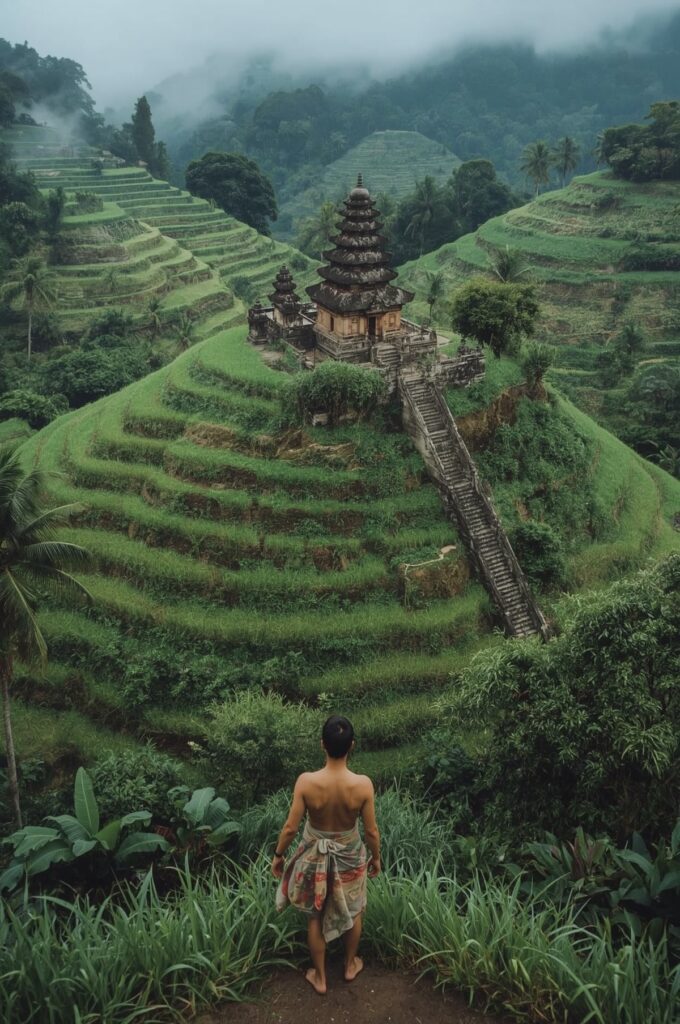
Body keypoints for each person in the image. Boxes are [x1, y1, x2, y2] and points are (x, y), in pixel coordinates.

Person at [272, 715, 381, 995]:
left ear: (322, 744)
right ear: (351, 746)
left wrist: (278, 855)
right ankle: (349, 965)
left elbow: (290, 828)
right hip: (349, 854)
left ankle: (320, 978)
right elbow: (371, 831)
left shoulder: (306, 782)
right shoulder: (363, 785)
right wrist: (376, 858)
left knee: (315, 915)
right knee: (354, 909)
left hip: (314, 854)